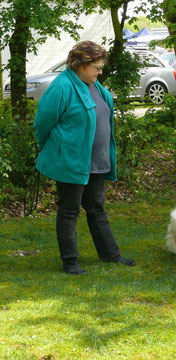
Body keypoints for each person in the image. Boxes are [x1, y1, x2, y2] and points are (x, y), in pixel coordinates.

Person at [34, 41, 136, 274]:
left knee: (97, 209)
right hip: (71, 162)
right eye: (97, 68)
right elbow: (42, 124)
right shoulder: (61, 86)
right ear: (80, 64)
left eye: (101, 67)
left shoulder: (95, 86)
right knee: (69, 211)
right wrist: (52, 149)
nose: (100, 72)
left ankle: (111, 255)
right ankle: (70, 262)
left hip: (95, 162)